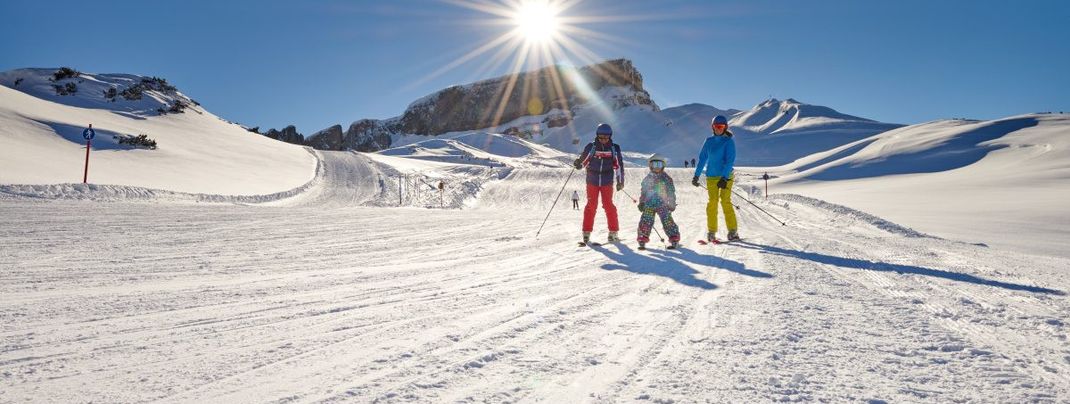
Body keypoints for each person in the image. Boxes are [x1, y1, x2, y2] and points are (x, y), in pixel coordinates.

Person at [573, 123, 625, 245]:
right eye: (601, 137)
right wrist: (578, 164)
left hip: (607, 180)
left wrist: (620, 182)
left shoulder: (614, 148)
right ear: (597, 136)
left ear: (610, 137)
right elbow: (584, 161)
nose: (603, 140)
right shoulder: (591, 147)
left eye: (606, 137)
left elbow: (618, 166)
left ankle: (613, 232)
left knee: (608, 205)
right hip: (592, 180)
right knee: (591, 205)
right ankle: (586, 233)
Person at [692, 115, 740, 242]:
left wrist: (724, 178)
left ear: (725, 127)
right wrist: (696, 175)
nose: (718, 129)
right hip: (711, 177)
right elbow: (702, 159)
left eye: (721, 126)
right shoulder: (709, 141)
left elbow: (730, 161)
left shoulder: (728, 142)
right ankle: (711, 232)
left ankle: (733, 231)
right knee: (712, 203)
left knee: (725, 201)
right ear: (712, 127)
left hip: (726, 177)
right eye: (716, 126)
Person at [637, 154, 681, 250]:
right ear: (650, 166)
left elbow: (671, 192)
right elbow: (643, 192)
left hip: (663, 204)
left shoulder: (666, 179)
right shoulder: (647, 179)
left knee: (667, 220)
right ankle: (642, 238)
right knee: (646, 220)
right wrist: (642, 202)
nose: (657, 167)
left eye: (659, 165)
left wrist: (672, 203)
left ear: (663, 166)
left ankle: (674, 237)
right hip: (649, 204)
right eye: (654, 164)